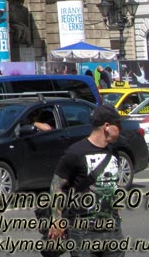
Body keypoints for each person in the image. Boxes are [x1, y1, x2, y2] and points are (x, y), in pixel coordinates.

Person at [48, 105, 125, 257]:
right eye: (119, 125)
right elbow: (56, 186)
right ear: (107, 127)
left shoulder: (113, 152)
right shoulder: (75, 152)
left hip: (112, 229)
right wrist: (57, 220)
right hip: (83, 230)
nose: (121, 129)